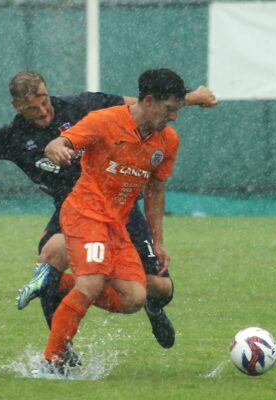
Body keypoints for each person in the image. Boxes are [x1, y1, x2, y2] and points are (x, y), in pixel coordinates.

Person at [0, 71, 216, 349]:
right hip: (74, 210)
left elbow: (143, 103)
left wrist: (194, 97)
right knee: (50, 261)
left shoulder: (82, 106)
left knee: (161, 289)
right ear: (16, 106)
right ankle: (61, 352)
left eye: (44, 100)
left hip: (121, 209)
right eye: (32, 106)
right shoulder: (12, 136)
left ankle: (149, 307)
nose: (43, 110)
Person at [36, 67, 187, 376]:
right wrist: (58, 149)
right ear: (148, 100)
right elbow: (59, 143)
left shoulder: (168, 141)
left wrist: (158, 241)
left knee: (136, 297)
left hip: (116, 226)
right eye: (169, 109)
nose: (173, 117)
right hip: (84, 213)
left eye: (177, 110)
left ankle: (55, 284)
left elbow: (156, 189)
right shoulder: (104, 120)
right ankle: (52, 362)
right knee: (91, 283)